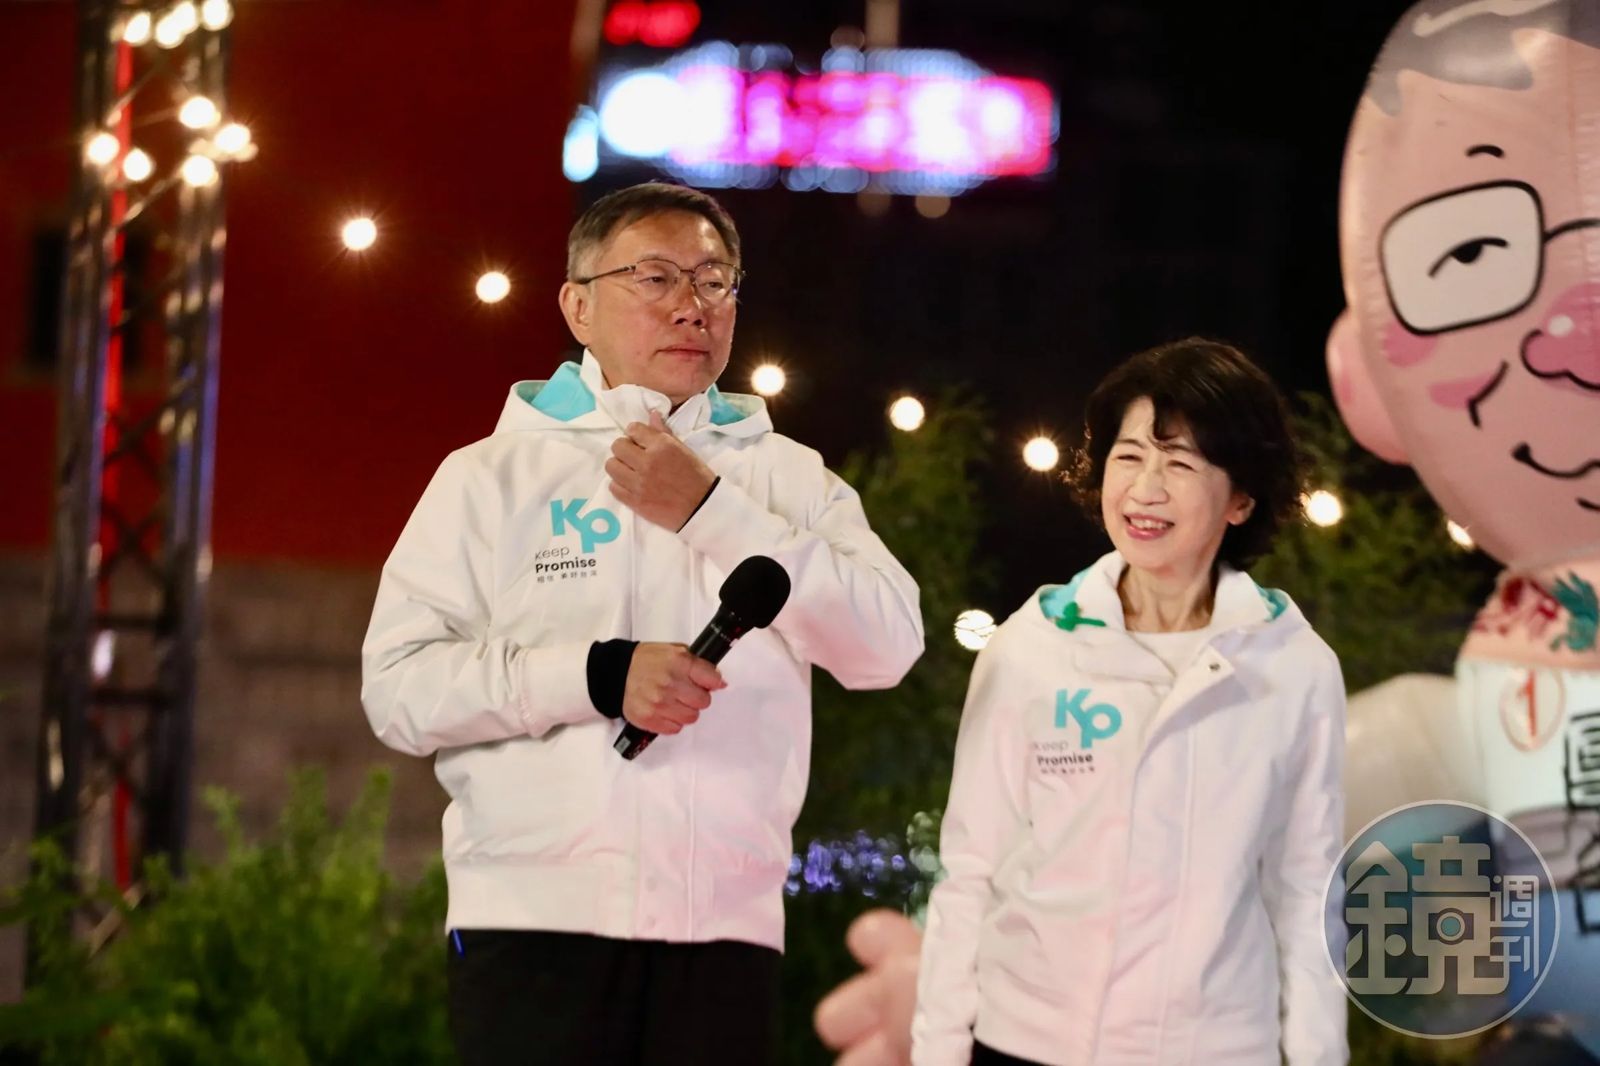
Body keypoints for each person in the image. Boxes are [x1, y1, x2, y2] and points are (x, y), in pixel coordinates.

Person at [360, 181, 925, 1066]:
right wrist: (598, 675)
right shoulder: (490, 476)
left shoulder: (787, 478)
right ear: (577, 306)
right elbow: (399, 690)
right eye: (655, 277)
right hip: (530, 927)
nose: (691, 305)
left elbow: (888, 645)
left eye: (714, 280)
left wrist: (710, 509)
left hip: (724, 932)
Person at [820, 338, 1347, 1066]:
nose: (1145, 489)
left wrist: (1317, 1056)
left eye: (1181, 464)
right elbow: (969, 871)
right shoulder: (1032, 645)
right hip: (1025, 1043)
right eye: (1128, 457)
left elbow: (1307, 890)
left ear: (1242, 499)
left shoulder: (1293, 667)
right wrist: (940, 1053)